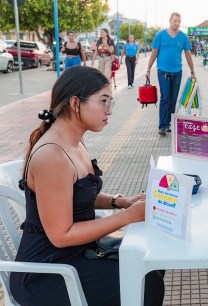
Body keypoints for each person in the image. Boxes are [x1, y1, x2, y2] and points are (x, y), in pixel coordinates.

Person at [10, 66, 165, 306]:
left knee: (151, 260)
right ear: (75, 103)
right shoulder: (52, 156)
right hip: (47, 272)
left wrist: (119, 201)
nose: (109, 111)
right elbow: (61, 236)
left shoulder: (72, 141)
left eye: (110, 102)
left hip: (77, 253)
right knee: (145, 281)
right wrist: (127, 217)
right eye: (103, 101)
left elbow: (76, 193)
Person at [145, 12, 196, 136]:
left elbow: (188, 55)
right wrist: (148, 69)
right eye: (175, 21)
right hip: (163, 71)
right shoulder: (160, 35)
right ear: (170, 20)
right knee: (165, 98)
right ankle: (162, 125)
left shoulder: (183, 37)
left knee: (173, 99)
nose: (177, 23)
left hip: (177, 72)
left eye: (179, 21)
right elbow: (154, 53)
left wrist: (192, 71)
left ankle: (169, 124)